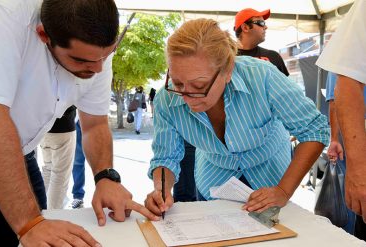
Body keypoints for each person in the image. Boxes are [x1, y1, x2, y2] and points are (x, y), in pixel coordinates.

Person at [0, 0, 157, 246]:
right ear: (43, 35)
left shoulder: (96, 52)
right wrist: (29, 223)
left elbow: (94, 124)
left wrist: (106, 177)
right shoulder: (7, 20)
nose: (98, 68)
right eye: (82, 61)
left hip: (22, 155)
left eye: (106, 55)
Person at [144, 19, 329, 217]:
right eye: (178, 83)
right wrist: (161, 190)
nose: (187, 97)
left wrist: (283, 190)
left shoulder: (262, 77)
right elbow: (166, 157)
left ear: (228, 71)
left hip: (271, 177)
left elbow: (314, 130)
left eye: (199, 86)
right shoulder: (166, 99)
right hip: (214, 180)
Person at [316, 0, 366, 240]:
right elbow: (336, 100)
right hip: (356, 138)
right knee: (354, 194)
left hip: (352, 137)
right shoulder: (344, 63)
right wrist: (334, 138)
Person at [325, 71, 358, 234]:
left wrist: (334, 139)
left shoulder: (345, 52)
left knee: (350, 189)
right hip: (353, 131)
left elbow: (334, 101)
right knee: (349, 189)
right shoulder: (345, 52)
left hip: (351, 131)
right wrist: (335, 139)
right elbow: (335, 101)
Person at [40, 105, 77, 209]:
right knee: (60, 175)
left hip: (43, 128)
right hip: (63, 128)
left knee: (48, 169)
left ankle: (43, 211)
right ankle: (53, 215)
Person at [234, 8, 289, 76]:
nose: (266, 27)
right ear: (245, 27)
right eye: (261, 23)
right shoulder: (224, 58)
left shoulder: (273, 56)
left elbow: (287, 86)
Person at [71, 120, 86, 209]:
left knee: (98, 159)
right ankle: (78, 195)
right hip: (73, 119)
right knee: (78, 161)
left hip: (89, 115)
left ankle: (104, 193)